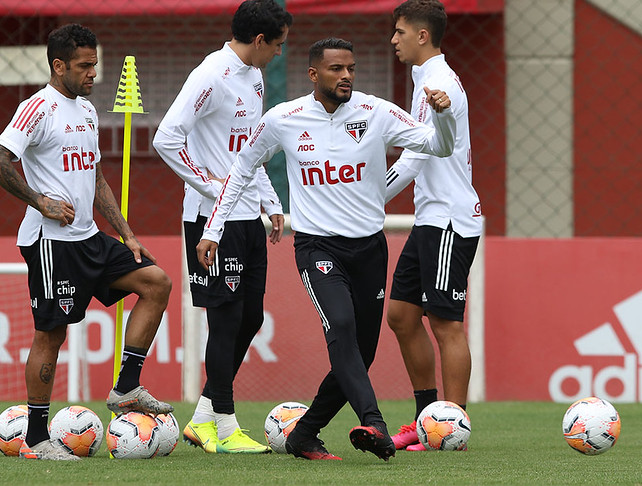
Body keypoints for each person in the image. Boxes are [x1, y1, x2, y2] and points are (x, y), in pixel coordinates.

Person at [196, 37, 458, 461]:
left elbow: (438, 145)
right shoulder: (284, 118)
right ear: (314, 74)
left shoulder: (376, 112)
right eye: (336, 69)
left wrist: (443, 117)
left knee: (362, 352)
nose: (347, 76)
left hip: (370, 249)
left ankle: (304, 433)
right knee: (341, 325)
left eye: (351, 68)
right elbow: (242, 167)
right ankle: (375, 423)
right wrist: (213, 228)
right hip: (318, 248)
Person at [0, 23, 174, 461]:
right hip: (51, 243)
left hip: (90, 238)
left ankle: (126, 387)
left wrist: (126, 234)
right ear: (58, 65)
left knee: (157, 283)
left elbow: (97, 178)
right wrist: (40, 201)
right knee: (51, 335)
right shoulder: (37, 108)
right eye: (85, 65)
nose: (93, 73)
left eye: (95, 64)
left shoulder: (87, 111)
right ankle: (35, 438)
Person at [152, 0, 291, 454]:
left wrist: (270, 200)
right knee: (226, 319)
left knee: (250, 317)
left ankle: (204, 417)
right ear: (258, 40)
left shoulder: (254, 77)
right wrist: (210, 186)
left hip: (249, 214)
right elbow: (167, 138)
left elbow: (250, 150)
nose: (279, 55)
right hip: (213, 217)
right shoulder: (210, 74)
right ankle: (225, 427)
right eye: (277, 45)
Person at [385, 0, 483, 451]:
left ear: (422, 36)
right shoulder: (425, 76)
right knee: (402, 316)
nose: (394, 40)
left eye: (400, 32)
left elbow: (416, 154)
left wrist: (367, 198)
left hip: (449, 219)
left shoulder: (439, 81)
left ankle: (452, 429)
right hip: (429, 218)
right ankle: (427, 419)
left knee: (446, 324)